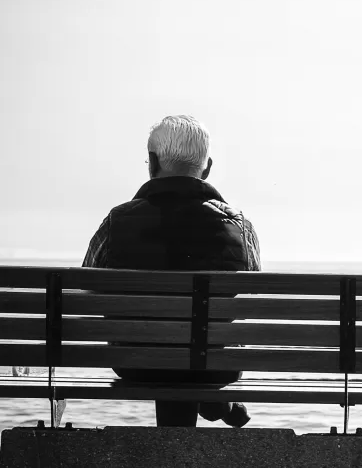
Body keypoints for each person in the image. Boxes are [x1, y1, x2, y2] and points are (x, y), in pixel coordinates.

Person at [82, 114, 261, 427]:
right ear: (206, 168)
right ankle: (213, 398)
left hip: (136, 362)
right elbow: (252, 293)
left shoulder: (116, 222)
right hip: (215, 364)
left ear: (152, 163)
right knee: (198, 350)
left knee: (168, 351)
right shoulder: (239, 226)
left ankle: (205, 408)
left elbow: (87, 290)